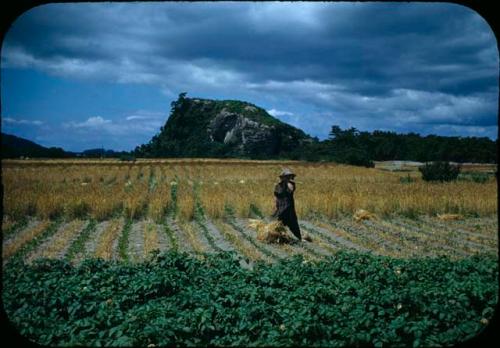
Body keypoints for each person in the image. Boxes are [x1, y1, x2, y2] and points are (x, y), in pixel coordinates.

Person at [272, 168, 302, 241]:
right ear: (283, 177)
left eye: (289, 176)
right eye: (286, 176)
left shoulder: (291, 184)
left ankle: (298, 238)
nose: (288, 178)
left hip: (289, 207)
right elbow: (276, 196)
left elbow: (290, 190)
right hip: (280, 207)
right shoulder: (278, 185)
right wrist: (275, 206)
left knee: (293, 223)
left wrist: (287, 182)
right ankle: (277, 237)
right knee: (278, 223)